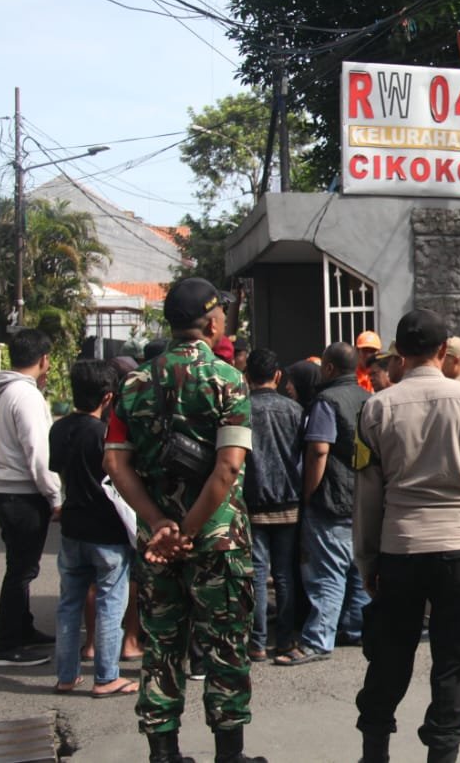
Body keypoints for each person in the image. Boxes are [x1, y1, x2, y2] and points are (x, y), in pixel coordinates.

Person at [102, 277, 263, 763]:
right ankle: (229, 755)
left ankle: (164, 753)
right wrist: (190, 531)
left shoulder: (131, 384)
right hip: (216, 542)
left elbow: (115, 464)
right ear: (212, 323)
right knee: (225, 647)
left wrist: (161, 525)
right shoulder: (228, 380)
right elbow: (228, 467)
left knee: (162, 646)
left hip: (157, 545)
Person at [354, 308, 460, 763]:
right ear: (444, 352)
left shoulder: (374, 408)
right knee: (455, 660)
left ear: (398, 355)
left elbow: (367, 494)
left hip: (400, 548)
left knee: (389, 656)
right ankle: (443, 755)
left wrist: (367, 560)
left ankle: (375, 752)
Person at [278, 342, 371, 664]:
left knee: (327, 574)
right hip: (365, 499)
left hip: (331, 499)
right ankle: (357, 628)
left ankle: (318, 640)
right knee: (359, 571)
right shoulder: (369, 399)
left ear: (329, 368)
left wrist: (308, 492)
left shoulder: (326, 402)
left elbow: (318, 451)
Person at [51, 359, 137, 697]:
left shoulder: (59, 429)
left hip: (72, 527)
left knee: (69, 604)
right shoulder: (105, 434)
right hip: (107, 531)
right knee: (110, 604)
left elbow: (57, 470)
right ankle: (106, 677)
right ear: (108, 397)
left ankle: (66, 675)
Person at [0, 327, 61, 667]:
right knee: (21, 569)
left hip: (3, 489)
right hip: (20, 493)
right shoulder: (26, 396)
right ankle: (7, 644)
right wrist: (55, 496)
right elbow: (38, 453)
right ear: (44, 360)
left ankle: (22, 628)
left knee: (21, 566)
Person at [243, 348, 305, 663]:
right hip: (289, 502)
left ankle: (255, 643)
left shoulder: (240, 409)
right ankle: (285, 641)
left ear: (246, 376)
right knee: (284, 575)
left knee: (255, 574)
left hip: (251, 503)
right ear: (277, 376)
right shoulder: (294, 410)